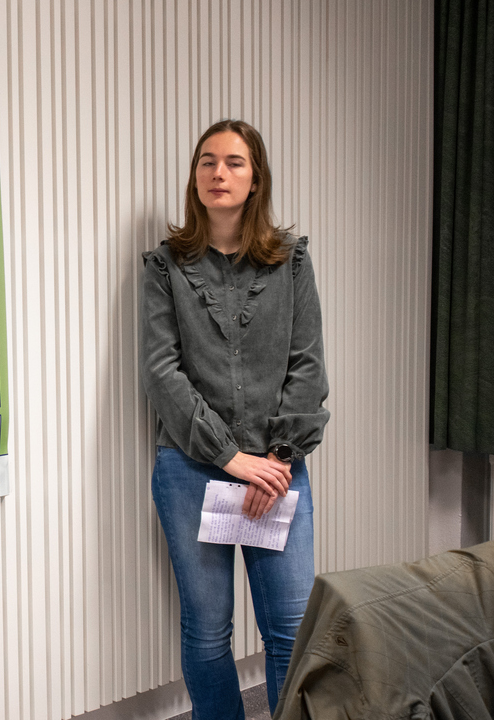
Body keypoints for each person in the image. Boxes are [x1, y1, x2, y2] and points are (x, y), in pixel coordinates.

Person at [140, 119, 329, 718]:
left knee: (291, 629)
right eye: (206, 161)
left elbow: (308, 367)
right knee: (206, 630)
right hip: (192, 471)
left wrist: (273, 461)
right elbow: (162, 373)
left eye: (234, 163)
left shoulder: (292, 263)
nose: (218, 173)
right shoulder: (164, 266)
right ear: (194, 177)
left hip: (277, 471)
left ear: (256, 179)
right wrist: (229, 457)